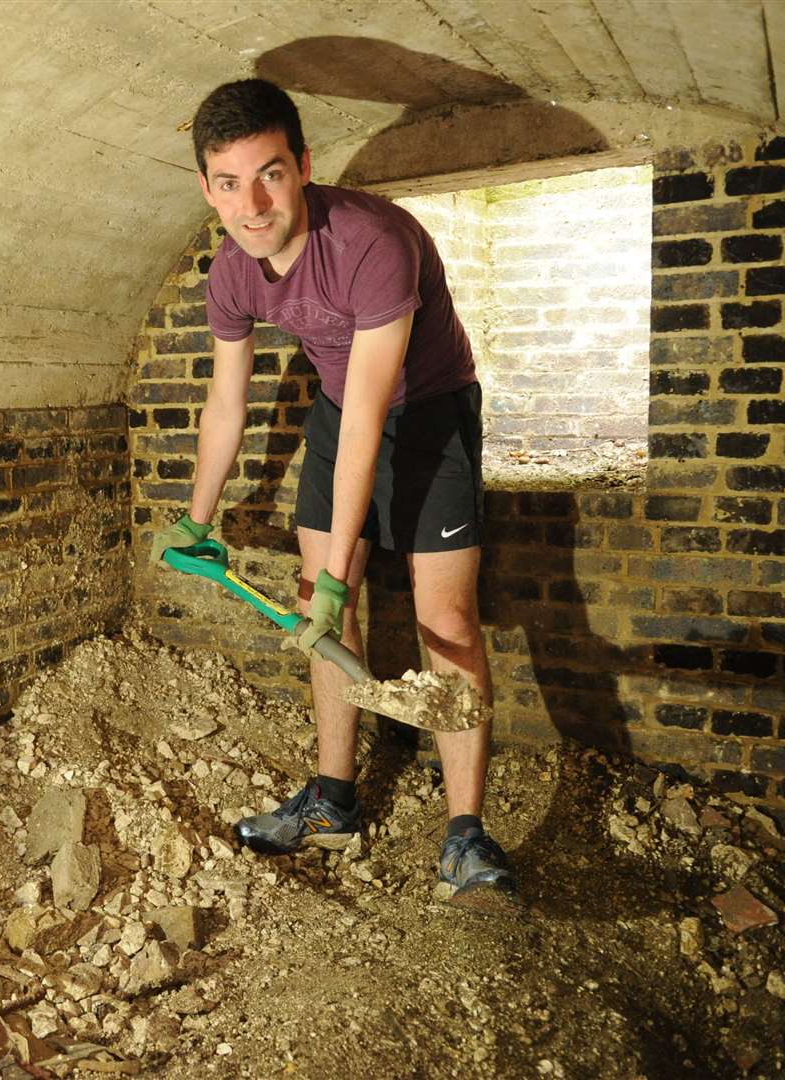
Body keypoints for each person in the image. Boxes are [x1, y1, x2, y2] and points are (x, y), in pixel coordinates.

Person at [149, 78, 514, 904]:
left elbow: (373, 418)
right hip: (340, 411)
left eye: (270, 174)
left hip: (426, 418)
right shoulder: (232, 274)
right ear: (205, 188)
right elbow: (225, 404)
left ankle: (466, 836)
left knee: (443, 621)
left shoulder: (371, 241)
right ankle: (332, 801)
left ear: (303, 165)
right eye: (230, 182)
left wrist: (340, 571)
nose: (253, 203)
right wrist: (195, 519)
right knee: (322, 608)